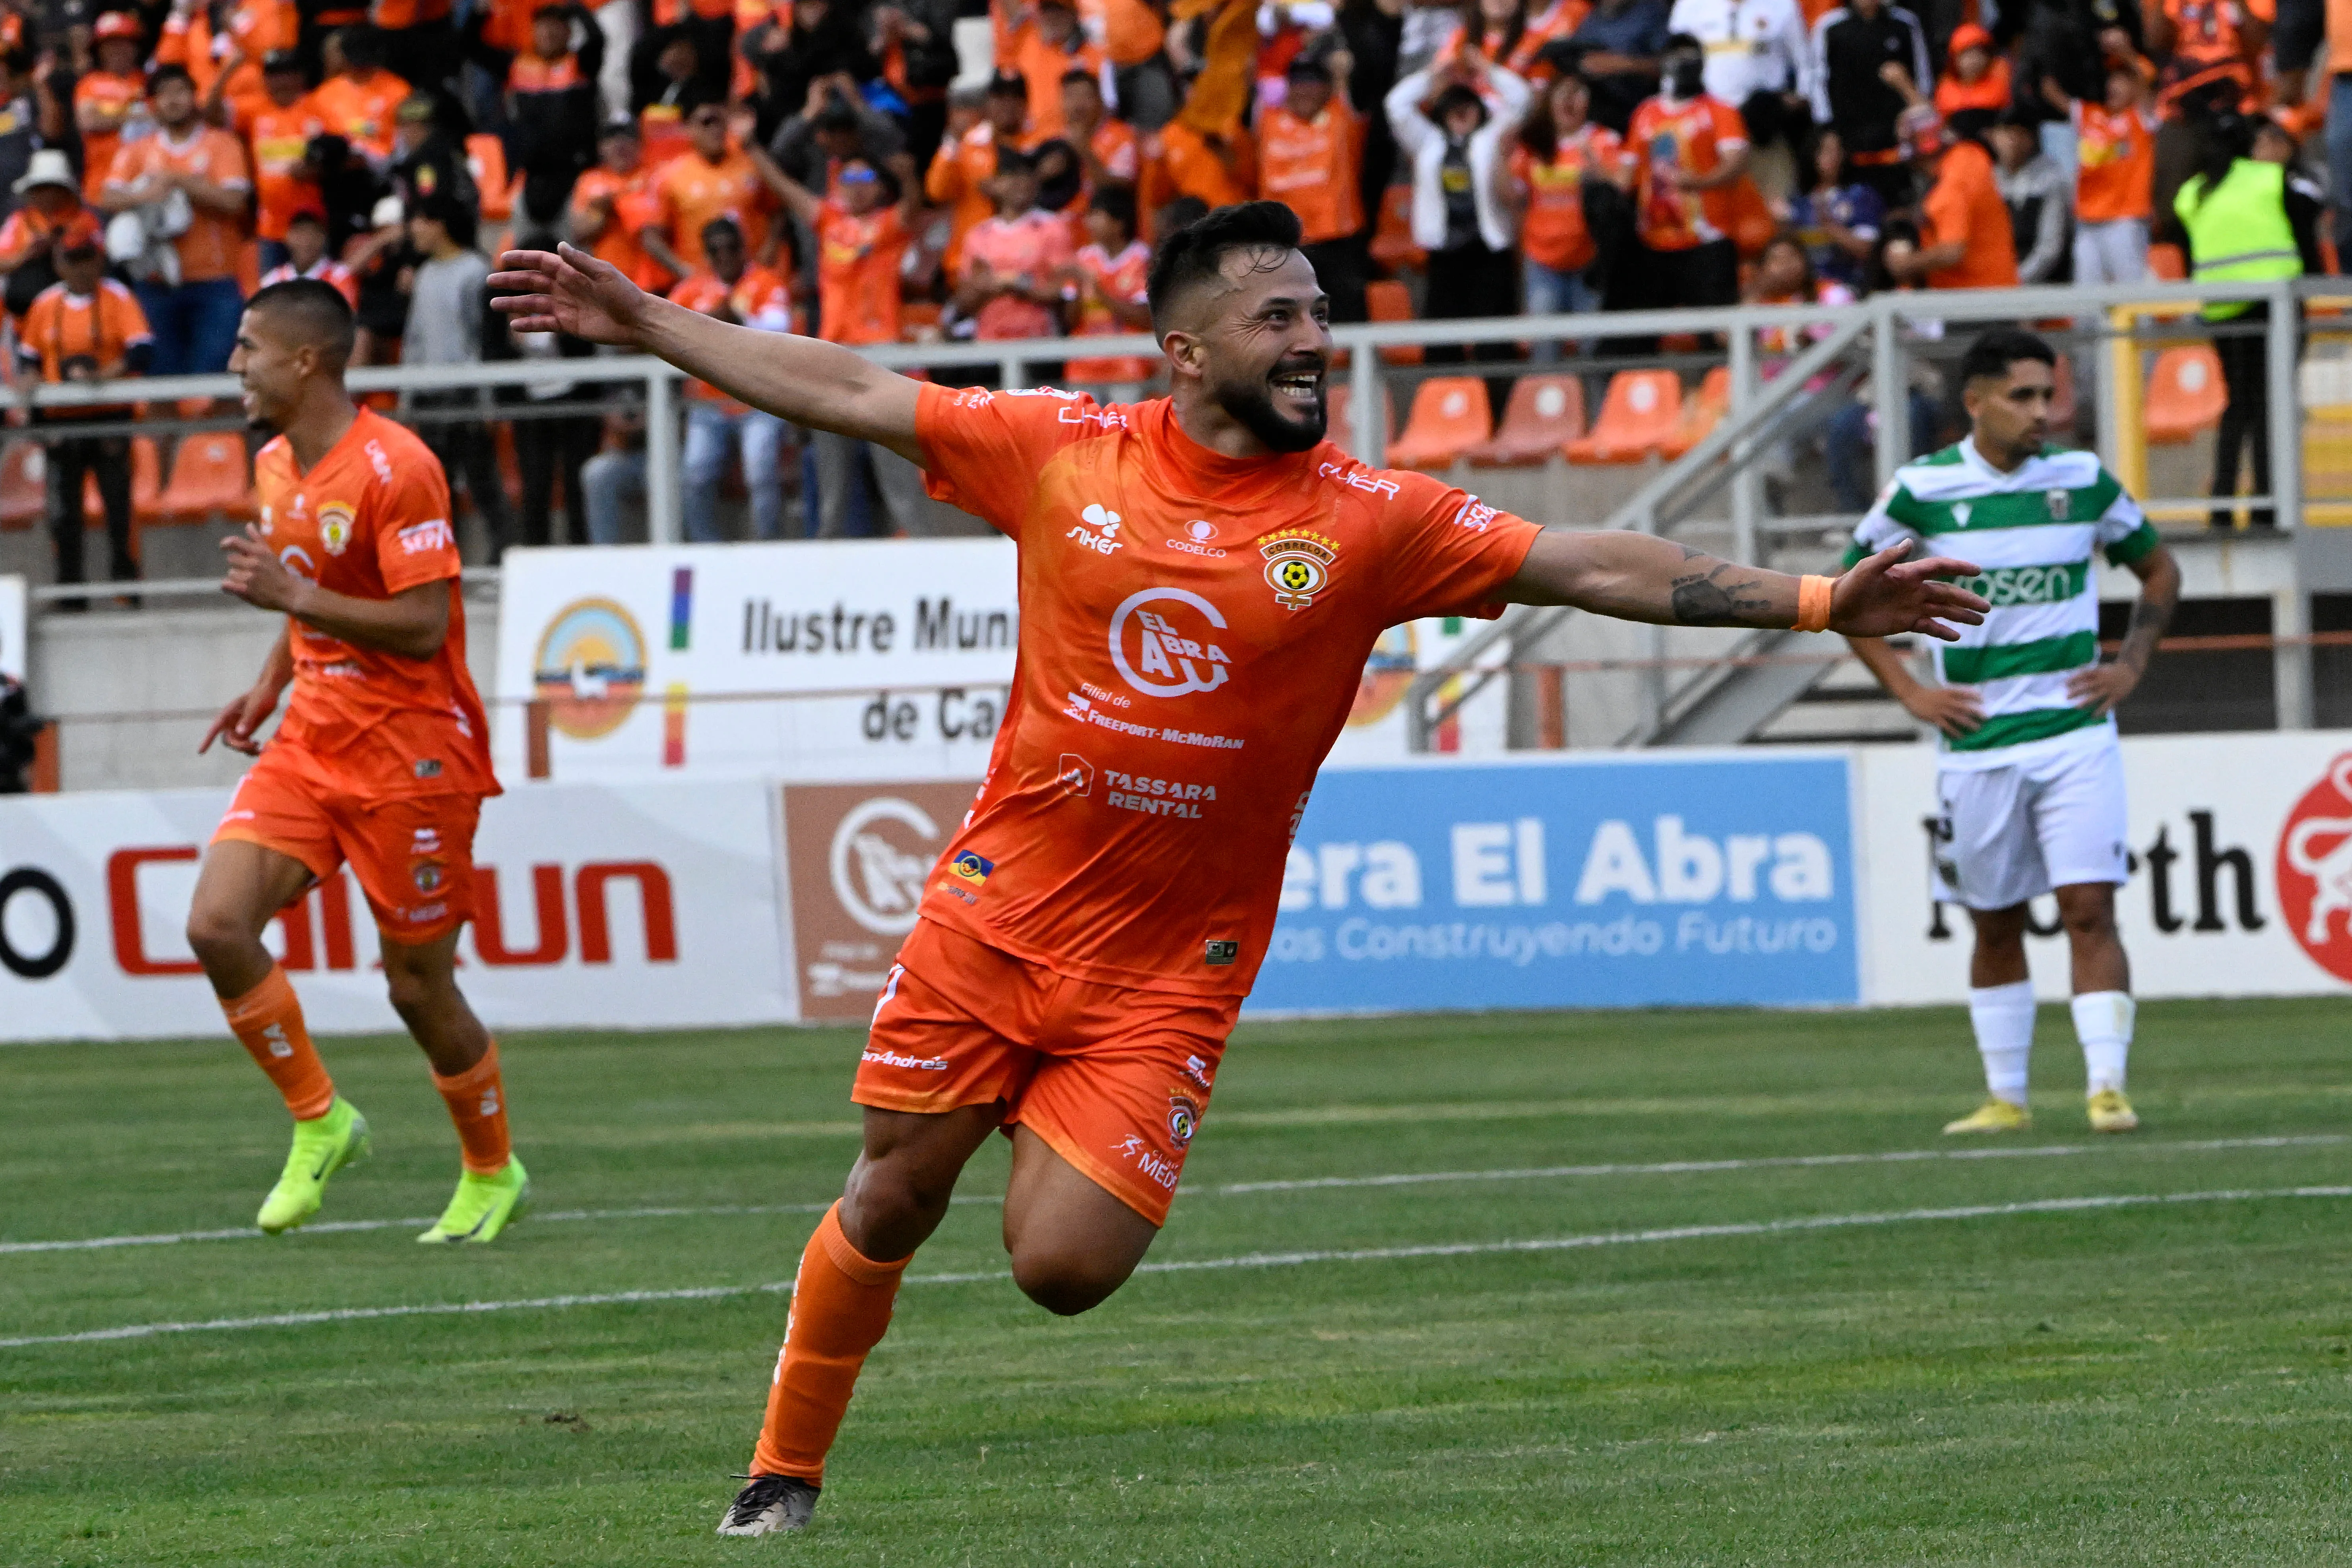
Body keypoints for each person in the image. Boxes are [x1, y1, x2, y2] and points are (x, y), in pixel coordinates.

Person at [490, 198, 1988, 1537]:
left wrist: (1810, 597)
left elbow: (1587, 561)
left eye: (1319, 316)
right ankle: (780, 1472)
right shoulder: (1059, 451)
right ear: (1180, 347)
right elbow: (851, 387)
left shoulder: (1366, 519)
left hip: (1166, 974)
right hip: (994, 915)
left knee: (1063, 1268)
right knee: (890, 1191)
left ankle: (1048, 1119)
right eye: (1276, 316)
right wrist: (644, 322)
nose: (1311, 341)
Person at [189, 278, 526, 1243]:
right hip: (312, 739)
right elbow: (311, 591)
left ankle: (492, 1169)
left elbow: (422, 625)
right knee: (217, 924)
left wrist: (292, 602)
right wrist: (273, 678)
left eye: (248, 346)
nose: (235, 364)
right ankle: (320, 1118)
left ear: (306, 359)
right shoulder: (273, 463)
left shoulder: (398, 467)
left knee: (418, 985)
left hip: (411, 757)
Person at [1842, 329, 2180, 1138]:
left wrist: (2129, 667)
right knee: (1994, 919)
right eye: (2023, 396)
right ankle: (2006, 1096)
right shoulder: (1920, 492)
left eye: (2048, 394)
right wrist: (1908, 690)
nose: (2043, 412)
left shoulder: (2084, 481)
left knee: (2089, 907)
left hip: (2075, 735)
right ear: (1976, 401)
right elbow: (1844, 594)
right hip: (1978, 742)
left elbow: (2160, 569)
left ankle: (2106, 1087)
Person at [764, 153, 936, 537]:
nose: (858, 187)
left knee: (895, 465)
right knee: (831, 471)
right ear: (839, 187)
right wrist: (751, 148)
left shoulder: (889, 224)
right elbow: (786, 190)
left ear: (878, 187)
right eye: (849, 179)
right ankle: (829, 550)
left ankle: (920, 546)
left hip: (882, 353)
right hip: (834, 354)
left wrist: (909, 178)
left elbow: (912, 206)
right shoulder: (829, 221)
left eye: (866, 178)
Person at [2173, 111, 2320, 530]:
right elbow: (2308, 222)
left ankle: (2220, 504)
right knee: (2270, 406)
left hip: (2221, 311)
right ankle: (2266, 507)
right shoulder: (2268, 179)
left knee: (2238, 404)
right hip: (2274, 307)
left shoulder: (2192, 193)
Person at [18, 218, 148, 604]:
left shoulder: (117, 297)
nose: (80, 268)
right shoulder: (46, 305)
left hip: (108, 419)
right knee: (64, 516)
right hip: (62, 424)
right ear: (60, 265)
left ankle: (127, 592)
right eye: (72, 260)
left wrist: (108, 374)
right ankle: (71, 595)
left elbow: (142, 349)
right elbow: (29, 358)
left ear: (98, 261)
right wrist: (29, 381)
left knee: (118, 509)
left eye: (87, 258)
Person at [97, 65, 255, 378]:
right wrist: (147, 195)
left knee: (217, 375)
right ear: (153, 103)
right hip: (155, 283)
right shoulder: (138, 151)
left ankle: (212, 430)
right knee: (160, 377)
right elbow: (108, 197)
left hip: (214, 279)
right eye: (164, 94)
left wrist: (179, 181)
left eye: (180, 91)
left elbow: (234, 202)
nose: (173, 101)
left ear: (194, 97)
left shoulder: (222, 144)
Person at [670, 214, 798, 540]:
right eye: (715, 251)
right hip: (709, 402)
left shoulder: (766, 280)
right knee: (695, 474)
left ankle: (766, 549)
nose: (724, 257)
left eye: (731, 249)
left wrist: (734, 320)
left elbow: (779, 327)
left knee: (760, 474)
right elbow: (667, 331)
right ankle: (706, 550)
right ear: (706, 255)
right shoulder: (692, 288)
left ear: (744, 250)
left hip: (759, 400)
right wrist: (712, 323)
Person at [402, 192, 514, 558]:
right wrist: (409, 393)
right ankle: (445, 561)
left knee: (483, 481)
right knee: (438, 487)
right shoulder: (425, 274)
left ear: (440, 224)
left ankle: (501, 556)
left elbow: (484, 339)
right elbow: (415, 337)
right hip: (431, 395)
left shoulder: (475, 271)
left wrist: (486, 398)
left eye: (420, 220)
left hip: (466, 394)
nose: (414, 229)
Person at [1386, 59, 1531, 338]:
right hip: (1444, 252)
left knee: (1495, 338)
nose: (1460, 114)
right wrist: (1431, 75)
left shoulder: (1492, 138)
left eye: (1468, 107)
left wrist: (1486, 69)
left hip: (1489, 249)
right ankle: (1441, 384)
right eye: (1453, 108)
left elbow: (1521, 98)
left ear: (1480, 111)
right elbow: (1396, 104)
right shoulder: (1427, 141)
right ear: (1441, 113)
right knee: (1441, 339)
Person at [1501, 70, 1632, 335]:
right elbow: (1512, 196)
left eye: (1577, 94)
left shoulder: (1604, 140)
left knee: (1591, 344)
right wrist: (1499, 153)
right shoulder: (1534, 146)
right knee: (1544, 346)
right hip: (1542, 259)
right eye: (1562, 94)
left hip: (1590, 260)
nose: (1568, 103)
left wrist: (1598, 170)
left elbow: (1624, 186)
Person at [642, 93, 785, 279]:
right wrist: (683, 271)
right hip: (702, 283)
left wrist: (770, 249)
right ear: (689, 129)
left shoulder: (752, 165)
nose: (716, 129)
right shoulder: (669, 176)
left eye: (720, 122)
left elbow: (778, 209)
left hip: (752, 279)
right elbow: (651, 237)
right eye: (707, 123)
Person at [1807, 0, 1932, 205]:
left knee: (1902, 206)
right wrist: (1828, 129)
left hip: (1898, 142)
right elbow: (1817, 81)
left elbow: (1924, 79)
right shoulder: (1830, 26)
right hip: (1849, 143)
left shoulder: (1905, 23)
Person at [505, 2, 605, 248]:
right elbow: (472, 46)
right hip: (532, 176)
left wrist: (576, 9)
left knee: (574, 260)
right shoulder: (519, 66)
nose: (548, 34)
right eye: (542, 28)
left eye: (556, 27)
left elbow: (597, 39)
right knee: (526, 260)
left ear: (569, 33)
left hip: (574, 175)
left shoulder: (582, 65)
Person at [1882, 109, 2017, 290]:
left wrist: (1905, 264)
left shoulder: (1951, 186)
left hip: (1974, 302)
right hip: (2000, 287)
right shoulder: (1971, 154)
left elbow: (1952, 252)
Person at [2051, 54, 2157, 285]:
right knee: (2087, 294)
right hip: (2088, 219)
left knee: (2132, 291)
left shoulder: (2140, 118)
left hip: (2125, 218)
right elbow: (2052, 92)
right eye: (2112, 80)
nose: (2114, 86)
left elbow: (2146, 81)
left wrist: (2126, 52)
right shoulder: (2089, 114)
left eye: (2123, 80)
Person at [955, 146, 1074, 344]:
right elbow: (965, 299)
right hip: (989, 339)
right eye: (1009, 176)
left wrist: (1015, 285)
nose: (1018, 184)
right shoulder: (978, 235)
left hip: (1038, 337)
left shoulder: (1052, 227)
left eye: (1025, 176)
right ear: (993, 185)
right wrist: (988, 288)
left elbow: (1064, 290)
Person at [240, 50, 328, 275]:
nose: (279, 80)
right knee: (271, 297)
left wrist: (316, 168)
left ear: (300, 77)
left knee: (315, 295)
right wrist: (229, 70)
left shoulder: (321, 108)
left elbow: (346, 155)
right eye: (272, 75)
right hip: (270, 228)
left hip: (311, 227)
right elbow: (210, 115)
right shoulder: (255, 110)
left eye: (286, 74)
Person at [1782, 125, 1880, 291]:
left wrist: (1831, 227)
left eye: (1838, 150)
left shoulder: (1860, 196)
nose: (1833, 157)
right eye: (1825, 151)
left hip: (1851, 288)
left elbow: (1869, 250)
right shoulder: (1798, 202)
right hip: (1807, 293)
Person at [570, 116, 663, 290]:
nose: (620, 144)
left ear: (639, 144)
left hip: (654, 284)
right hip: (609, 281)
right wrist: (605, 212)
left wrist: (616, 200)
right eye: (611, 138)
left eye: (627, 136)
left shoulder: (656, 176)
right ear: (601, 147)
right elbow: (580, 234)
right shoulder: (589, 181)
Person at [73, 10, 148, 206]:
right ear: (99, 50)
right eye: (110, 45)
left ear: (135, 47)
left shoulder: (148, 82)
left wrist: (111, 115)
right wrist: (136, 114)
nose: (117, 50)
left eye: (123, 42)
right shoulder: (90, 83)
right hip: (101, 187)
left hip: (144, 184)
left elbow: (162, 117)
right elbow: (88, 121)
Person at [1989, 107, 2072, 284]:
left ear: (2031, 140)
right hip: (1993, 281)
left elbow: (2050, 249)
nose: (2012, 141)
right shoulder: (1987, 178)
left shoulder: (2050, 178)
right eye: (2006, 133)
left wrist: (2015, 282)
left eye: (2019, 134)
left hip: (2041, 286)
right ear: (1993, 137)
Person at [309, 27, 409, 166]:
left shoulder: (398, 90)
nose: (361, 66)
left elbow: (406, 139)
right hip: (341, 168)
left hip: (387, 166)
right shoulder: (324, 95)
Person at [259, 207, 361, 304]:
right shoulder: (274, 280)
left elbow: (344, 318)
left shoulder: (340, 277)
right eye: (299, 232)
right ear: (288, 237)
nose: (305, 240)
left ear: (323, 237)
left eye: (312, 232)